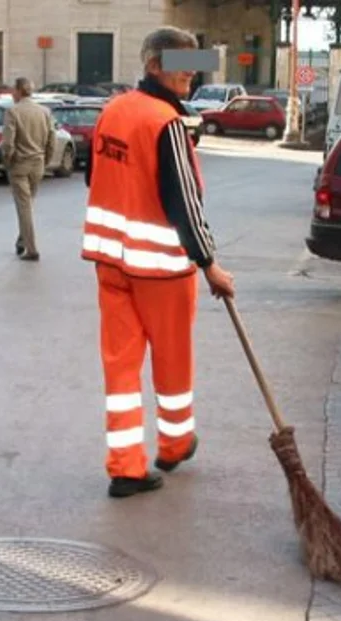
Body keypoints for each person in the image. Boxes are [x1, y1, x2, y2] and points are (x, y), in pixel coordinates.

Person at [82, 26, 236, 498]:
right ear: (154, 66)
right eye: (180, 64)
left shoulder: (113, 111)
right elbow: (184, 201)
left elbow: (94, 175)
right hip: (162, 270)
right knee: (172, 362)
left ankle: (125, 467)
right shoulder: (164, 122)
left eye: (196, 63)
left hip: (110, 263)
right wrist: (209, 262)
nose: (190, 72)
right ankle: (173, 444)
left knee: (121, 366)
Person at [2, 77, 55, 261]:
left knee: (24, 207)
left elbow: (8, 142)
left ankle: (31, 248)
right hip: (38, 163)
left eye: (13, 90)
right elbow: (51, 139)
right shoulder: (44, 111)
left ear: (18, 91)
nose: (11, 93)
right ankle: (22, 240)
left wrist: (7, 161)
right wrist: (46, 159)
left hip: (20, 164)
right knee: (28, 204)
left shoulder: (13, 112)